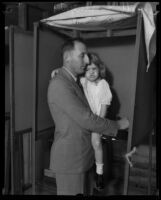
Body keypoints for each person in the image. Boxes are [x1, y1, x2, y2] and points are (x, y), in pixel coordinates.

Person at [47, 38, 129, 196]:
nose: (86, 60)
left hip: (83, 156)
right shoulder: (60, 84)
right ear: (67, 57)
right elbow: (86, 118)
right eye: (82, 55)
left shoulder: (73, 80)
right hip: (70, 160)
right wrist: (118, 125)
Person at [78, 52, 112, 190]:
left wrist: (99, 124)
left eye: (94, 69)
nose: (91, 72)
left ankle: (99, 174)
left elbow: (104, 105)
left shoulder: (103, 84)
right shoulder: (83, 81)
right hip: (86, 118)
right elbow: (70, 76)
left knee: (96, 142)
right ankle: (85, 169)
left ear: (99, 69)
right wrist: (57, 71)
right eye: (87, 70)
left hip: (98, 118)